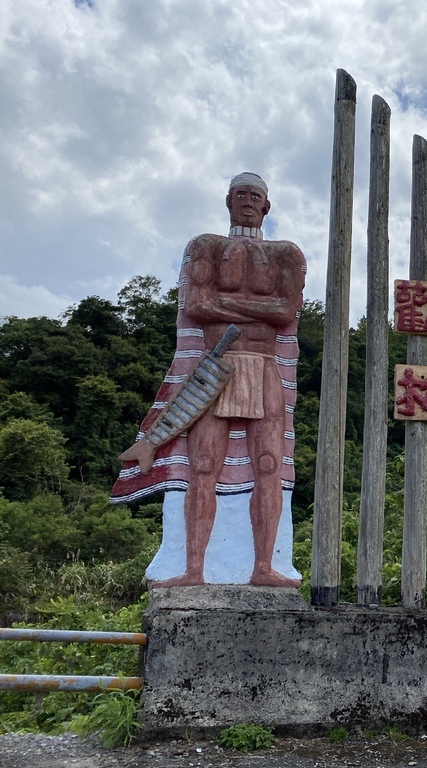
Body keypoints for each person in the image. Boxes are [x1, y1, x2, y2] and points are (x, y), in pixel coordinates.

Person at [112, 172, 306, 588]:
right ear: (228, 200)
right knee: (202, 466)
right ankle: (194, 570)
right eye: (241, 195)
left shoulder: (286, 254)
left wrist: (229, 306)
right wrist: (257, 307)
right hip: (213, 367)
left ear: (267, 205)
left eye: (256, 196)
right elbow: (197, 305)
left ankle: (263, 568)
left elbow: (285, 312)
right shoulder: (206, 247)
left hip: (263, 366)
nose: (249, 202)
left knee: (269, 465)